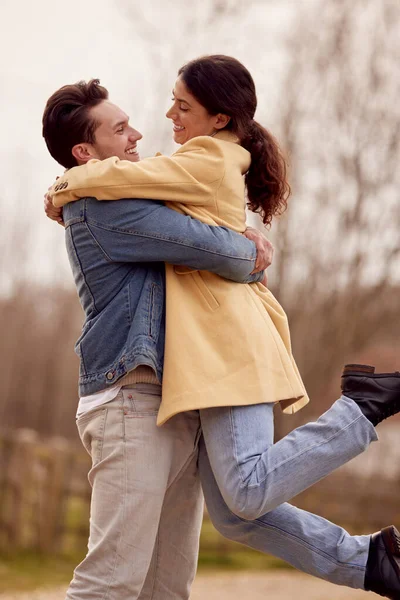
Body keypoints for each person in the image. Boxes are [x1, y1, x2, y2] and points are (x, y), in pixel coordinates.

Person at [44, 59, 400, 599]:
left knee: (180, 572)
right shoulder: (101, 205)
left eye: (177, 106)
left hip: (178, 400)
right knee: (114, 580)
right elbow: (227, 253)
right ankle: (365, 484)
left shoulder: (145, 187)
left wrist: (237, 231)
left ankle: (373, 559)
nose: (143, 130)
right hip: (131, 403)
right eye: (120, 129)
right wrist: (244, 241)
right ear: (85, 155)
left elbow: (200, 214)